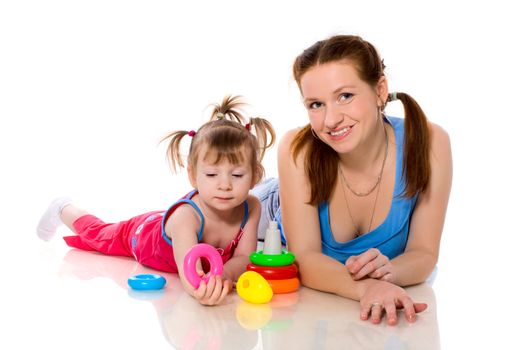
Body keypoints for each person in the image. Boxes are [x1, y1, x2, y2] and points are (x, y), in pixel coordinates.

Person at [254, 35, 452, 325]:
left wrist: (388, 274)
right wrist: (366, 287)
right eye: (316, 104)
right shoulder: (296, 150)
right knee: (206, 211)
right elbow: (304, 258)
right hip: (266, 211)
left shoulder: (430, 142)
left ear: (380, 90)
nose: (331, 120)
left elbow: (424, 253)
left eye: (345, 96)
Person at [36, 95, 276, 306]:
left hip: (172, 220)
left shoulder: (251, 206)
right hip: (143, 235)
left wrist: (224, 274)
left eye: (236, 175)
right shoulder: (185, 218)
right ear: (192, 175)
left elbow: (244, 257)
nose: (224, 185)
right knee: (100, 235)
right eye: (211, 174)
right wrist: (201, 292)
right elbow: (189, 275)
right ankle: (63, 208)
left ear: (255, 175)